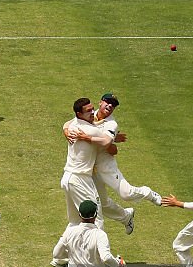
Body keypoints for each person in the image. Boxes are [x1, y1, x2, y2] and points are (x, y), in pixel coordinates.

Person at [65, 93, 162, 235]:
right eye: (108, 102)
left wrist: (90, 138)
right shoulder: (89, 114)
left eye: (114, 105)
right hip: (90, 169)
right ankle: (125, 217)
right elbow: (70, 123)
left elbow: (110, 147)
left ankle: (147, 193)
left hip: (106, 165)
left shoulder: (111, 124)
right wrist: (66, 131)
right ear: (100, 102)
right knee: (102, 204)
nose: (110, 106)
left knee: (126, 194)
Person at [51, 98, 114, 267]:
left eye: (93, 109)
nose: (92, 112)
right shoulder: (90, 129)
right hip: (80, 179)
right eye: (88, 111)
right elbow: (108, 142)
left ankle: (59, 257)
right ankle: (97, 263)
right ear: (79, 114)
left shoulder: (73, 125)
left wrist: (65, 130)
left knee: (74, 221)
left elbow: (66, 123)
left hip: (69, 178)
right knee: (96, 219)